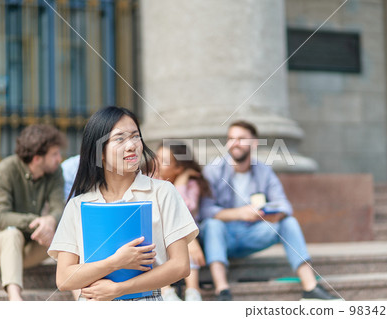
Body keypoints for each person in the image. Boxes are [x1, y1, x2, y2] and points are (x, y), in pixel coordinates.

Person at [48, 106, 198, 301]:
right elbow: (64, 278)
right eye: (120, 139)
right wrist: (115, 262)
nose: (131, 145)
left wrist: (120, 289)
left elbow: (180, 266)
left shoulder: (163, 192)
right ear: (99, 152)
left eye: (135, 136)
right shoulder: (78, 204)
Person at [199, 120, 340, 301]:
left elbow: (283, 205)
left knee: (289, 222)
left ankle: (310, 287)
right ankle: (222, 290)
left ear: (254, 143)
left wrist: (268, 213)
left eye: (241, 138)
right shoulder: (213, 170)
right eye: (231, 138)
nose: (234, 143)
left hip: (252, 234)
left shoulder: (263, 171)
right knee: (212, 225)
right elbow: (204, 211)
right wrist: (240, 213)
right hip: (221, 237)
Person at [0, 124, 66, 301]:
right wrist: (36, 221)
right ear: (37, 158)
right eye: (54, 154)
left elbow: (59, 207)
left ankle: (81, 294)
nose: (59, 158)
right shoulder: (7, 169)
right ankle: (15, 300)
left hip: (30, 246)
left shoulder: (55, 172)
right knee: (13, 235)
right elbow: (0, 216)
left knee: (64, 237)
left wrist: (50, 220)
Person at [155, 141, 210, 301]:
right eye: (156, 157)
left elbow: (183, 210)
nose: (157, 163)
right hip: (160, 235)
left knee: (184, 241)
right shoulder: (151, 182)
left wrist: (181, 183)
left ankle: (193, 291)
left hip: (185, 234)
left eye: (163, 160)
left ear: (178, 168)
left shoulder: (191, 185)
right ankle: (166, 292)